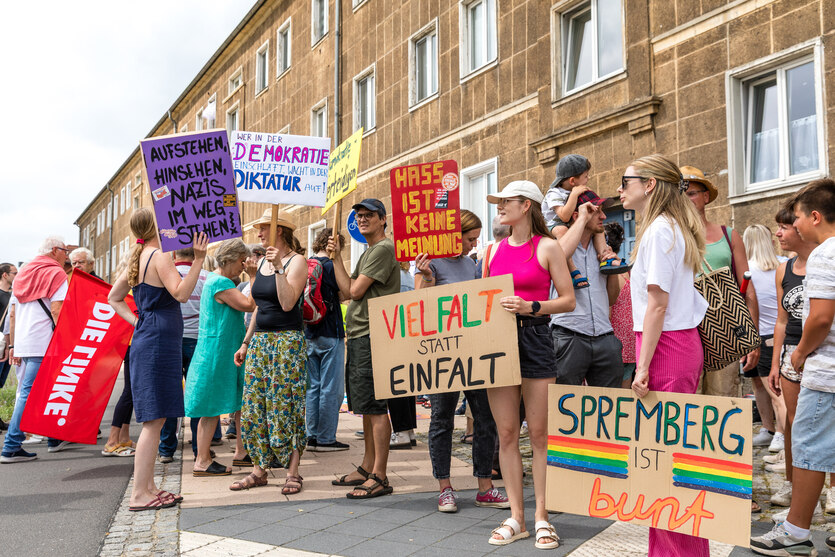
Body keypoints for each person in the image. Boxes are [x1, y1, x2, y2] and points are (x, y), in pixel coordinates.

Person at [618, 155, 709, 556]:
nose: (620, 189)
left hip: (665, 347)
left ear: (650, 184)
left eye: (626, 181)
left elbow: (656, 304)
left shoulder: (658, 231)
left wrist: (641, 366)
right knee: (666, 463)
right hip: (675, 343)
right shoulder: (671, 228)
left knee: (663, 465)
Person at [483, 181, 575, 549]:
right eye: (499, 202)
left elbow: (568, 300)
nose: (500, 207)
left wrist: (532, 307)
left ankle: (541, 516)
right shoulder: (491, 251)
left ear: (526, 206)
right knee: (505, 434)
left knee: (539, 435)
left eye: (506, 202)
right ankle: (516, 516)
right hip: (498, 341)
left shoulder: (548, 246)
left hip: (536, 337)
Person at [750, 178, 835, 555]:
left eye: (797, 218)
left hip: (826, 370)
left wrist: (798, 355)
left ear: (815, 217)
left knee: (808, 450)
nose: (793, 226)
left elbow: (819, 319)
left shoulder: (823, 255)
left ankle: (795, 534)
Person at [107, 208, 207, 510]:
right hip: (158, 341)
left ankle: (148, 487)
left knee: (158, 416)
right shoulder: (160, 255)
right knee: (153, 420)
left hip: (152, 337)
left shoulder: (138, 257)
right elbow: (180, 293)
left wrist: (137, 321)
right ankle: (139, 494)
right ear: (156, 227)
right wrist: (199, 260)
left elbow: (114, 297)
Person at [414, 210, 510, 513]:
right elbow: (417, 304)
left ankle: (485, 486)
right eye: (470, 238)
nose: (474, 244)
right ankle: (444, 487)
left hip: (474, 350)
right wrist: (427, 277)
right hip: (442, 352)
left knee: (485, 417)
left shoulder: (472, 264)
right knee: (441, 418)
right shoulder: (431, 261)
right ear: (455, 235)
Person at [230, 209, 308, 495]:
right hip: (261, 341)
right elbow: (258, 307)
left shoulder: (297, 261)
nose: (259, 234)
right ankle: (258, 470)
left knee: (286, 404)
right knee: (255, 406)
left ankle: (293, 472)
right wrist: (246, 342)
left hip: (287, 342)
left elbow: (287, 303)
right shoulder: (262, 260)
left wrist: (278, 269)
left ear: (280, 231)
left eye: (263, 228)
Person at [328, 198, 400, 499]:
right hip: (361, 333)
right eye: (358, 215)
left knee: (376, 405)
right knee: (366, 408)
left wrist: (339, 260)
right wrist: (336, 259)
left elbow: (354, 290)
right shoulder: (370, 251)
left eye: (369, 215)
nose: (362, 219)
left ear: (384, 219)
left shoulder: (383, 249)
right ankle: (368, 466)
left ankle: (380, 475)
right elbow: (347, 292)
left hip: (374, 334)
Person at [764, 204, 831, 520]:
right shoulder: (784, 269)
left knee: (822, 426)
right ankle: (795, 487)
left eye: (785, 226)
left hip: (818, 352)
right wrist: (777, 362)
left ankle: (829, 492)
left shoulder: (824, 259)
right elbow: (780, 319)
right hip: (793, 349)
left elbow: (822, 317)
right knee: (793, 423)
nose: (779, 233)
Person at [682, 165, 759, 396]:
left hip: (725, 329)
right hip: (686, 329)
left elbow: (748, 289)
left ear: (706, 196)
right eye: (681, 194)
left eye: (692, 193)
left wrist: (751, 339)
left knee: (723, 399)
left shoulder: (729, 235)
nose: (687, 199)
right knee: (688, 401)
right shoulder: (671, 236)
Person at [185, 239, 254, 476]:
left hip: (218, 349)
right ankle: (202, 461)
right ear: (230, 259)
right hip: (218, 351)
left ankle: (236, 453)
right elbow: (248, 304)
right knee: (212, 407)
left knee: (222, 403)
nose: (243, 267)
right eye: (241, 262)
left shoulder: (213, 279)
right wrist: (254, 277)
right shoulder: (221, 282)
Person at [0, 238, 72, 463]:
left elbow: (12, 312)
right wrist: (65, 340)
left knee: (43, 391)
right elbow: (58, 309)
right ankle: (11, 446)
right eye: (64, 251)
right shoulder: (56, 273)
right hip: (45, 341)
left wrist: (13, 344)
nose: (66, 255)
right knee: (28, 393)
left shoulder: (23, 272)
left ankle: (52, 438)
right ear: (54, 251)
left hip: (25, 340)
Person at [551, 201, 623, 387]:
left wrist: (611, 270)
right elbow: (560, 255)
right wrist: (583, 217)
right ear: (577, 215)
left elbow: (612, 299)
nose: (604, 217)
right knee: (563, 406)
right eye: (596, 212)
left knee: (608, 406)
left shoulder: (602, 249)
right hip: (569, 334)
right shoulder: (556, 245)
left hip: (605, 335)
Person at [158, 248, 217, 463]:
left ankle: (166, 449)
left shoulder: (167, 275)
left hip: (172, 339)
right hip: (198, 340)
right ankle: (199, 450)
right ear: (196, 254)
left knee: (171, 394)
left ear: (174, 256)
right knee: (198, 395)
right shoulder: (207, 277)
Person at [541, 154, 628, 288]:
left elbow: (612, 298)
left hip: (567, 221)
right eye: (586, 176)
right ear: (572, 181)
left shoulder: (573, 191)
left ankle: (606, 257)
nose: (588, 179)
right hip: (554, 223)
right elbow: (564, 216)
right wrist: (575, 196)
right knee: (562, 232)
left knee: (598, 230)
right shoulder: (554, 193)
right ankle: (574, 271)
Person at [742, 224, 787, 453]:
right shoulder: (784, 264)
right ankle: (771, 430)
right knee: (766, 385)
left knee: (769, 388)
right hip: (779, 334)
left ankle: (778, 433)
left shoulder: (747, 271)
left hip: (759, 337)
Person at [305, 229, 349, 452]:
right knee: (331, 387)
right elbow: (346, 294)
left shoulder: (306, 264)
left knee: (312, 387)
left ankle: (310, 435)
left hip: (308, 331)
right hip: (331, 331)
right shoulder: (332, 266)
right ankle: (326, 438)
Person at [102, 258, 136, 457]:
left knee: (130, 392)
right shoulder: (130, 290)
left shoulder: (123, 288)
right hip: (132, 344)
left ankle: (123, 437)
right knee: (129, 392)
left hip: (128, 344)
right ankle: (112, 441)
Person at [605, 222, 636, 388]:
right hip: (630, 344)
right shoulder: (627, 269)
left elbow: (608, 311)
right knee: (625, 399)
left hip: (612, 345)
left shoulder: (609, 272)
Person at [0, 263, 17, 399]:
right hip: (0, 343)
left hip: (8, 343)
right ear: (5, 275)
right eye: (14, 274)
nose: (17, 276)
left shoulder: (12, 295)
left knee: (1, 381)